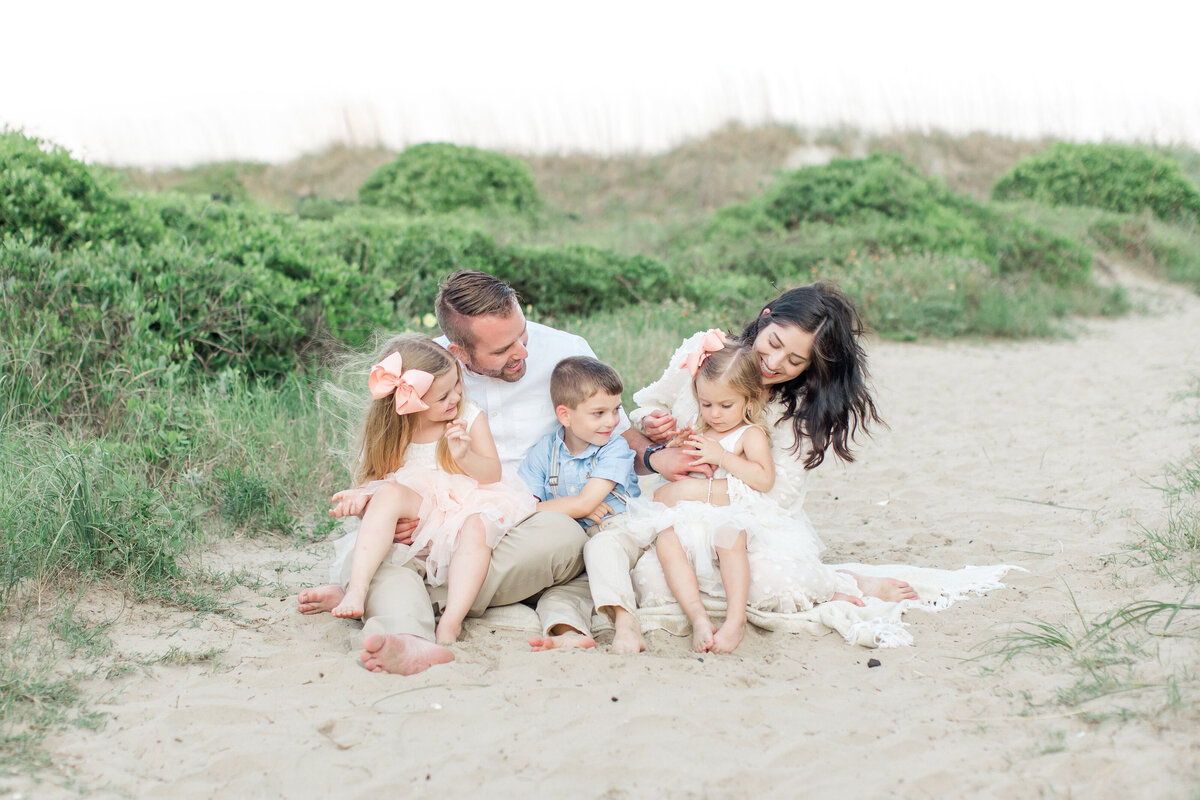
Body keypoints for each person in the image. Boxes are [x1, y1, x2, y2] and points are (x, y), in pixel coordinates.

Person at [299, 270, 626, 674]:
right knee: (381, 549)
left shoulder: (569, 350)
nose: (522, 352)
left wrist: (657, 453)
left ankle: (399, 598)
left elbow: (615, 433)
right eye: (504, 349)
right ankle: (409, 638)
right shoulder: (422, 369)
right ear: (461, 352)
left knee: (563, 536)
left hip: (523, 519)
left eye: (522, 336)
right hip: (430, 519)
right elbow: (385, 462)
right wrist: (380, 509)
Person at [587, 281, 919, 654]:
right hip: (677, 517)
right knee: (650, 578)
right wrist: (652, 426)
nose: (775, 363)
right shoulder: (709, 354)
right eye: (774, 344)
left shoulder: (797, 408)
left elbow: (779, 496)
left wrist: (689, 490)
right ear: (764, 321)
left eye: (795, 361)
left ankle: (843, 581)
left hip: (751, 520)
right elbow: (648, 402)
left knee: (773, 583)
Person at [317, 334, 535, 646]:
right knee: (388, 494)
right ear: (409, 403)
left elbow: (492, 474)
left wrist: (464, 456)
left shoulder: (468, 416)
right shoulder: (393, 432)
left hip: (464, 504)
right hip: (416, 505)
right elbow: (377, 478)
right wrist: (361, 496)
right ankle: (357, 589)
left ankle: (451, 620)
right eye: (443, 396)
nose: (455, 398)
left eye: (457, 385)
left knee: (476, 528)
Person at [635, 334, 776, 654]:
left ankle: (734, 620)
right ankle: (697, 616)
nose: (715, 414)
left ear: (749, 401)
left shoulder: (748, 434)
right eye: (706, 404)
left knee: (728, 538)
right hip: (691, 511)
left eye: (726, 405)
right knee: (666, 539)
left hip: (729, 513)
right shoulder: (703, 429)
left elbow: (764, 479)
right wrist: (680, 446)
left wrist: (722, 457)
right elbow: (688, 468)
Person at [517, 356, 640, 649]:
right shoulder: (544, 452)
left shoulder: (615, 448)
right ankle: (570, 635)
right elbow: (522, 508)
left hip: (617, 534)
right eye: (599, 413)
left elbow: (585, 504)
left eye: (616, 410)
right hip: (576, 552)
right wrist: (576, 504)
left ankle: (627, 625)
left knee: (602, 548)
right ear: (565, 415)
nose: (611, 421)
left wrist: (575, 505)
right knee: (556, 597)